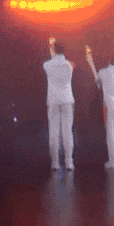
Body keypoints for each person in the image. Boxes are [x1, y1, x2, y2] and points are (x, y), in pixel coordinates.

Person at [86, 45, 114, 168]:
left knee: (111, 132)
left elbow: (98, 84)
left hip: (109, 104)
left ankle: (113, 161)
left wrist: (90, 62)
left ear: (107, 62)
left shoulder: (103, 72)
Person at [43, 39, 75, 170]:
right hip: (67, 100)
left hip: (53, 100)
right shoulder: (70, 65)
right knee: (67, 132)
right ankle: (69, 162)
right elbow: (62, 62)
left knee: (54, 132)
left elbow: (51, 61)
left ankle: (55, 163)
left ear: (54, 51)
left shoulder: (47, 65)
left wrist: (51, 47)